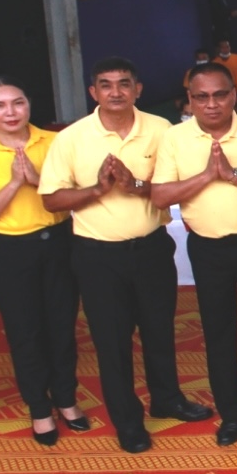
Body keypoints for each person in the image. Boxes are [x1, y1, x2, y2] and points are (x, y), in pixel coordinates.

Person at [40, 58, 213, 453]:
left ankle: (167, 398)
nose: (115, 92)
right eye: (105, 85)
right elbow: (51, 199)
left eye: (123, 84)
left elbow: (179, 185)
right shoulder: (71, 138)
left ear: (138, 89)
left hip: (151, 248)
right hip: (96, 256)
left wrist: (135, 185)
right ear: (93, 93)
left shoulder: (162, 130)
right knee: (112, 341)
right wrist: (96, 190)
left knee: (159, 331)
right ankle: (127, 420)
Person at [152, 64, 237, 446]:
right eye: (202, 97)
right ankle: (232, 413)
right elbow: (161, 196)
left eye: (220, 95)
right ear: (190, 101)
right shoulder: (175, 138)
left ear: (234, 95)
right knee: (218, 332)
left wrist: (232, 174)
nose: (212, 104)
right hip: (208, 247)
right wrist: (205, 177)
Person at [0, 77, 83, 446]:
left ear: (29, 104)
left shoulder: (56, 142)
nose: (10, 112)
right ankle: (39, 408)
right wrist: (15, 183)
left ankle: (66, 399)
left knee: (63, 326)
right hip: (10, 251)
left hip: (59, 243)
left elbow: (75, 195)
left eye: (18, 102)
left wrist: (38, 179)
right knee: (25, 332)